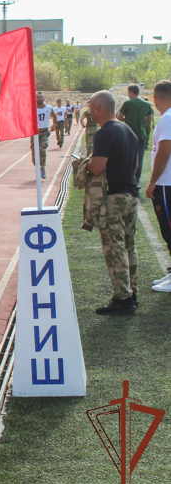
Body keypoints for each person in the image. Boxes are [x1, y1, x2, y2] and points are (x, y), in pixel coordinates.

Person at [88, 90, 140, 315]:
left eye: (90, 107)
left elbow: (97, 167)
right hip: (130, 194)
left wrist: (86, 165)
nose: (89, 111)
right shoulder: (127, 129)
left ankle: (122, 298)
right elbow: (136, 165)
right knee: (129, 245)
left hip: (113, 198)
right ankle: (131, 292)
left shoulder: (104, 133)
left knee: (114, 248)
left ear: (98, 108)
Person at [145, 80, 171, 292]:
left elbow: (164, 152)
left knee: (169, 229)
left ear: (156, 98)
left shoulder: (167, 118)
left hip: (166, 183)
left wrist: (153, 182)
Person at [118, 85, 154, 180]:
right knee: (139, 158)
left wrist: (127, 119)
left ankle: (128, 177)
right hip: (141, 134)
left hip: (128, 134)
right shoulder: (147, 104)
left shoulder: (127, 103)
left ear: (130, 92)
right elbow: (149, 120)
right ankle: (136, 178)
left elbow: (119, 118)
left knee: (128, 157)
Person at [32, 92, 57, 178]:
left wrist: (54, 125)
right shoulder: (32, 108)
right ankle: (37, 166)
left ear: (44, 98)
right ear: (35, 98)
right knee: (34, 151)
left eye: (41, 97)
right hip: (34, 133)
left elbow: (54, 116)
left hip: (44, 132)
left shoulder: (49, 108)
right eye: (38, 97)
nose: (39, 98)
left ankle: (42, 168)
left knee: (42, 149)